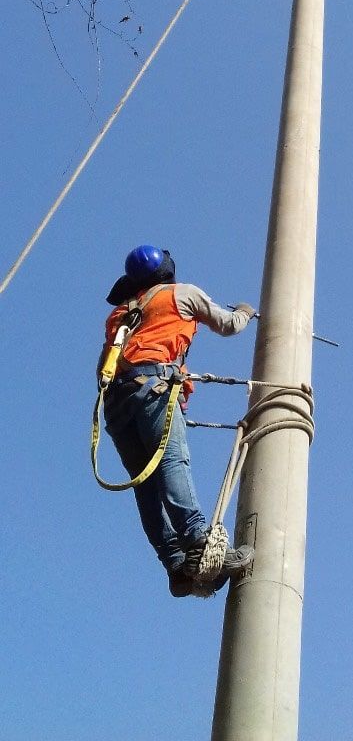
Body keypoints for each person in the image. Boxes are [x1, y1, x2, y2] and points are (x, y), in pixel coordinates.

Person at [98, 243, 255, 598]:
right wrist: (245, 311)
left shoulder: (121, 313)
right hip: (153, 388)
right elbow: (228, 325)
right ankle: (200, 544)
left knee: (146, 486)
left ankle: (176, 567)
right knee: (172, 464)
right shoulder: (182, 294)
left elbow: (103, 365)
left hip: (116, 404)